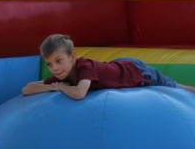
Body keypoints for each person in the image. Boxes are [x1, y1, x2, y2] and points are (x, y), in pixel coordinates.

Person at [22, 33, 195, 100]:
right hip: (117, 65)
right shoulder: (63, 74)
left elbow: (79, 93)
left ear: (72, 56)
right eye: (49, 64)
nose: (54, 68)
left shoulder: (84, 67)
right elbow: (27, 89)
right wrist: (50, 86)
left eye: (59, 61)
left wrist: (59, 87)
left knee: (175, 88)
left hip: (136, 71)